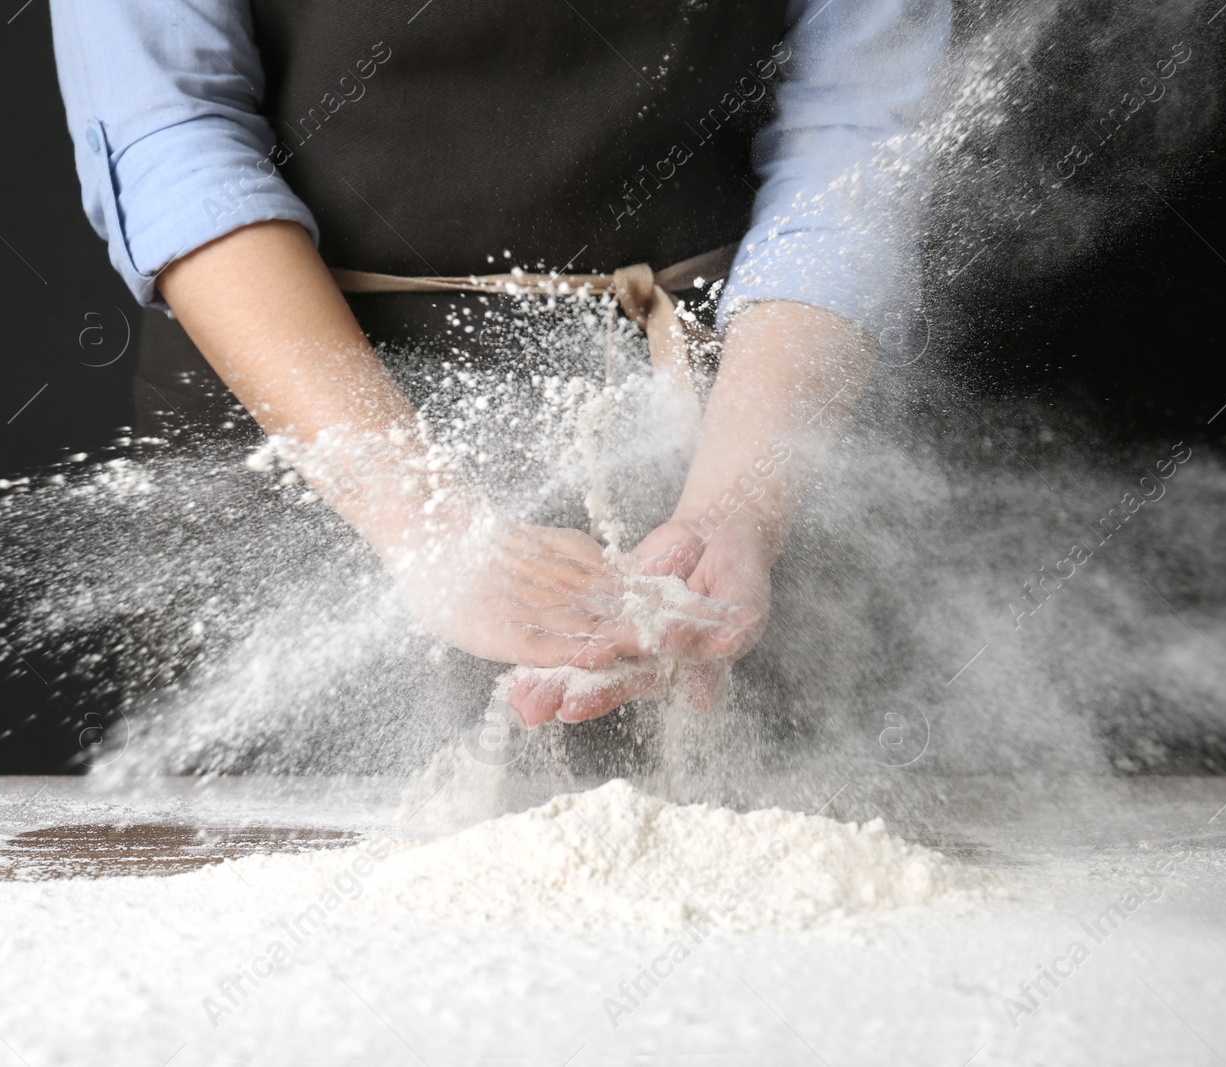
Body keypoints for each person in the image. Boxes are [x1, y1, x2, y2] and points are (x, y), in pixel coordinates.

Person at [50, 0, 946, 730]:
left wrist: (735, 508)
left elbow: (858, 136)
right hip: (303, 437)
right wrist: (422, 517)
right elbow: (166, 129)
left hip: (739, 423)